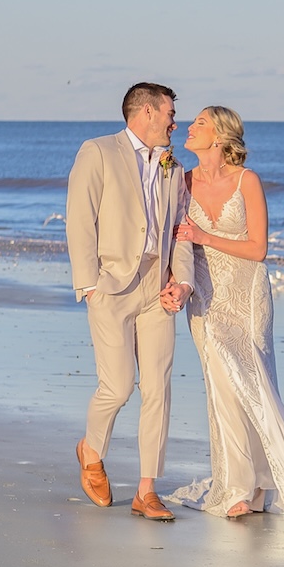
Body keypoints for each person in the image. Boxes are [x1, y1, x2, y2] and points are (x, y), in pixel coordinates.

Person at [167, 105, 284, 517]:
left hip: (248, 295)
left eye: (198, 123)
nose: (188, 127)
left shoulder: (246, 181)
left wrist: (203, 234)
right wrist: (177, 282)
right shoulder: (181, 183)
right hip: (206, 296)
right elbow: (178, 244)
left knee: (255, 383)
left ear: (219, 136)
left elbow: (258, 249)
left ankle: (262, 483)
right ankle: (235, 486)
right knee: (221, 386)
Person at [65, 83, 194, 521]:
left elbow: (180, 231)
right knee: (118, 387)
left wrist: (184, 284)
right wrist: (89, 284)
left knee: (158, 387)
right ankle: (91, 449)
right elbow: (80, 218)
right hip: (111, 286)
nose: (177, 122)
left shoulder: (173, 166)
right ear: (146, 112)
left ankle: (146, 489)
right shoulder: (98, 152)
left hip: (157, 288)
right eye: (171, 114)